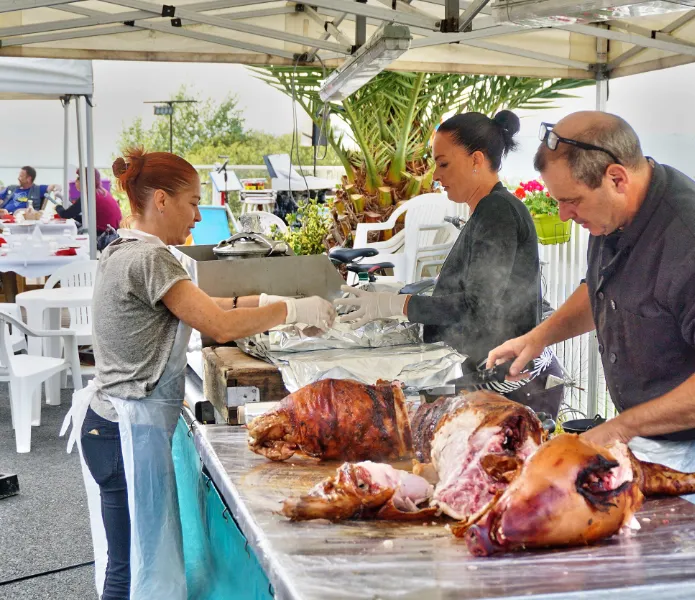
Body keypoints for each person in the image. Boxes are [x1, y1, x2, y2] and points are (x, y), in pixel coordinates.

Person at [487, 111, 695, 535]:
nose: (564, 214)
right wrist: (539, 337)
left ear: (616, 178)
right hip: (660, 443)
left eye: (572, 200)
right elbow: (601, 289)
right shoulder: (616, 214)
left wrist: (620, 428)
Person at [63, 148, 335, 600]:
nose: (196, 216)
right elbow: (219, 325)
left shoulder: (122, 247)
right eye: (192, 202)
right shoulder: (151, 259)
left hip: (109, 425)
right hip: (123, 432)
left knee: (131, 564)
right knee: (131, 572)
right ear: (161, 200)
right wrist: (292, 309)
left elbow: (204, 306)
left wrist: (270, 302)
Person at [335, 110, 563, 415]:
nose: (435, 176)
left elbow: (478, 305)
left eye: (443, 164)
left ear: (476, 160)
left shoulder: (497, 211)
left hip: (510, 384)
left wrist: (396, 305)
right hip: (490, 371)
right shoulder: (487, 210)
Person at [56, 168, 122, 234]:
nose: (76, 181)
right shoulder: (102, 192)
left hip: (103, 233)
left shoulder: (90, 195)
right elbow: (88, 218)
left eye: (78, 178)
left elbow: (66, 214)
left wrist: (57, 207)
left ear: (85, 180)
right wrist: (74, 215)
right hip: (112, 231)